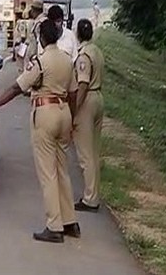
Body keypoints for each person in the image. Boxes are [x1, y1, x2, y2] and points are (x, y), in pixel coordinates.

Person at [0, 19, 80, 243]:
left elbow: (17, 87)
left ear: (42, 38)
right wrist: (71, 119)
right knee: (62, 169)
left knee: (48, 172)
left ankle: (54, 225)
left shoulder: (40, 62)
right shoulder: (66, 60)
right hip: (64, 112)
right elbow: (73, 92)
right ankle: (70, 221)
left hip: (46, 113)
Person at [72, 19, 105, 213]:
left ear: (78, 34)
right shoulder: (97, 51)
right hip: (99, 96)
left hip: (88, 99)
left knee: (85, 154)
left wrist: (75, 108)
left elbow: (82, 84)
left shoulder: (83, 56)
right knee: (94, 149)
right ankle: (94, 194)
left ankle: (90, 198)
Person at [25, 0, 46, 65]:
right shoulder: (39, 21)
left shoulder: (40, 23)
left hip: (36, 58)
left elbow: (39, 43)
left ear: (35, 10)